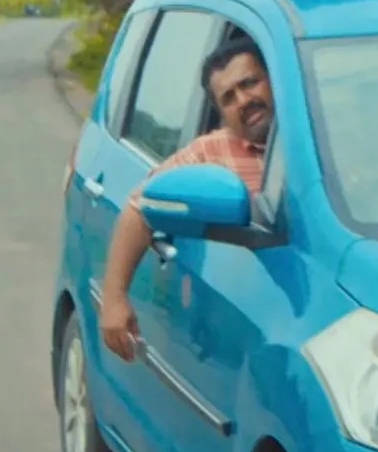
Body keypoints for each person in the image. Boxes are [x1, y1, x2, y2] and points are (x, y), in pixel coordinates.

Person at [96, 28, 276, 364]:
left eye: (250, 83)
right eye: (228, 98)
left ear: (274, 79)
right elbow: (141, 207)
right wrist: (114, 298)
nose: (243, 101)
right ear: (221, 113)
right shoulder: (211, 152)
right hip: (243, 320)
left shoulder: (326, 135)